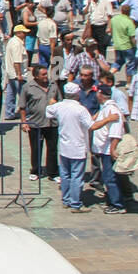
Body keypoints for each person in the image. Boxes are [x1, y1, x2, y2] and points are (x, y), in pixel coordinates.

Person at [47, 82, 94, 211]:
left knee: (65, 175)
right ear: (77, 95)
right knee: (77, 177)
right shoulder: (80, 110)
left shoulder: (60, 107)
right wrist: (106, 119)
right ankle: (75, 203)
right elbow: (92, 126)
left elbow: (48, 112)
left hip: (64, 146)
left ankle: (66, 199)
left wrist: (53, 103)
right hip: (77, 147)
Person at [89, 83, 126, 213]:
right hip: (103, 149)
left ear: (100, 94)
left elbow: (116, 132)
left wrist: (113, 149)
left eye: (97, 93)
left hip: (108, 150)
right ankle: (111, 201)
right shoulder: (104, 108)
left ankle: (117, 205)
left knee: (110, 178)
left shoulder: (113, 110)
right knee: (107, 177)